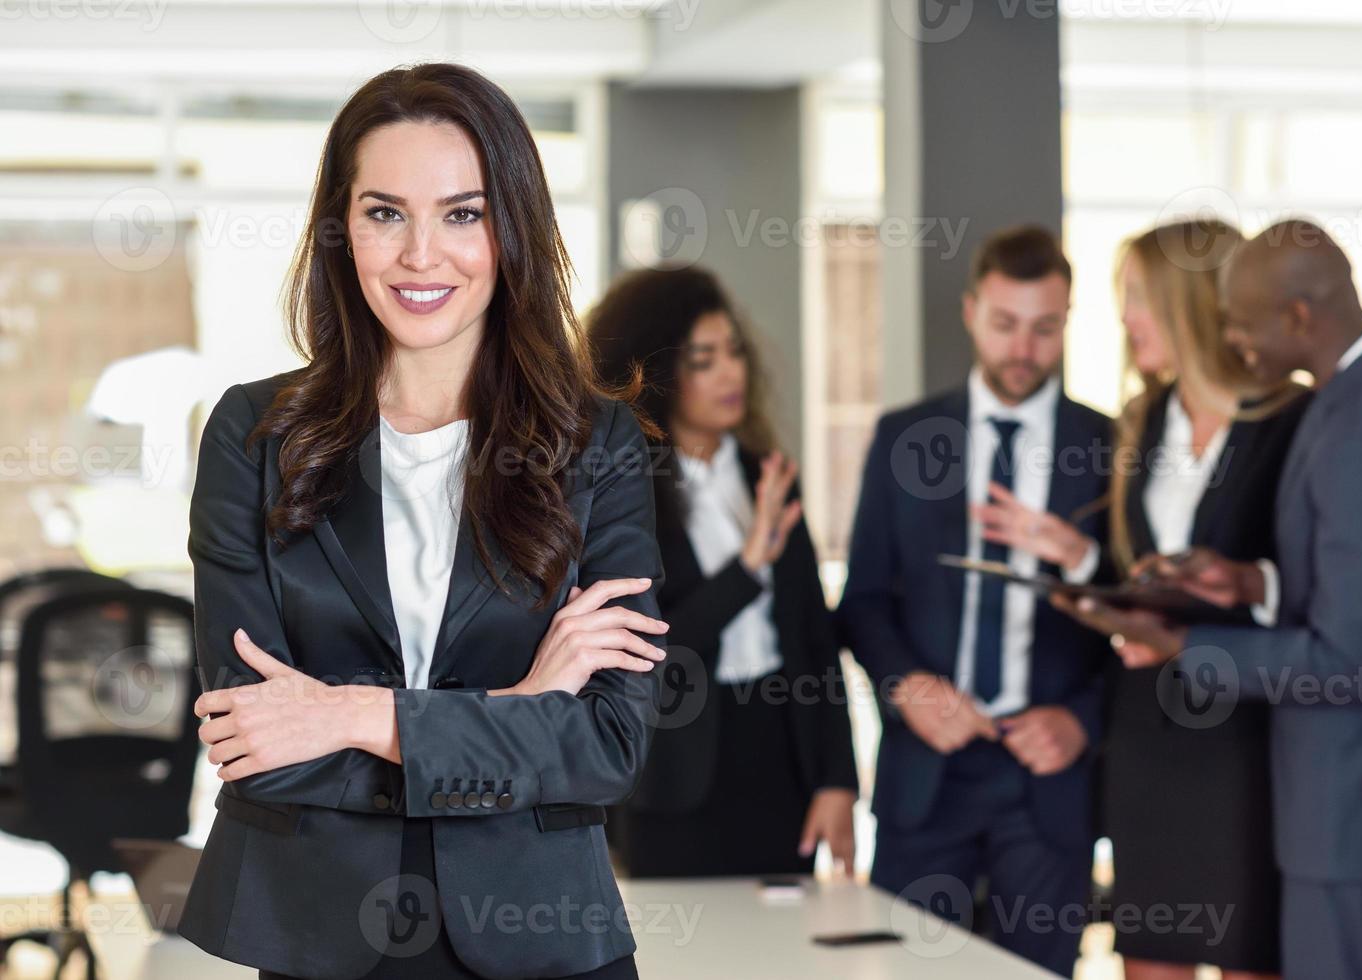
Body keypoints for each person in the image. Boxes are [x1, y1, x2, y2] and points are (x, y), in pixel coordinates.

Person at [177, 63, 668, 980]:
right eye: (384, 212)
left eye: (463, 213)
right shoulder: (253, 434)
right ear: (340, 228)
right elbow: (255, 745)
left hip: (542, 939)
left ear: (511, 228)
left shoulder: (591, 443)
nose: (419, 255)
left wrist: (351, 715)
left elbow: (608, 745)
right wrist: (520, 709)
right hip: (318, 935)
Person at [1060, 219, 1362, 979]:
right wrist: (1252, 582)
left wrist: (1178, 647)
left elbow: (1347, 657)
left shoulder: (1356, 427)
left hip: (1357, 802)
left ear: (1299, 318)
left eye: (1243, 326)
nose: (1236, 342)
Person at [979, 219, 1310, 979]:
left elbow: (1305, 585)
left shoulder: (1288, 420)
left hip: (1243, 739)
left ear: (1189, 302)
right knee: (1149, 958)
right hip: (1145, 737)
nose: (1124, 317)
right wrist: (1079, 561)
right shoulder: (1142, 421)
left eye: (1135, 297)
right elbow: (1148, 573)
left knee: (1247, 953)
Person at [838, 225, 1113, 976]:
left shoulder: (1111, 447)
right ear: (969, 312)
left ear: (1067, 321)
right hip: (926, 771)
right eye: (1004, 324)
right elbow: (861, 601)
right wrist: (906, 688)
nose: (1022, 349)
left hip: (1048, 779)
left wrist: (1080, 722)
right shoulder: (905, 437)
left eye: (1044, 328)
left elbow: (1142, 624)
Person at [587, 265, 859, 879]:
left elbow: (816, 641)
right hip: (675, 769)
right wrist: (747, 568)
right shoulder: (624, 492)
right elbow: (645, 646)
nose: (731, 372)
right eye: (703, 360)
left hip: (782, 757)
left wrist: (838, 779)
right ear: (657, 371)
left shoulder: (770, 475)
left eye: (734, 352)